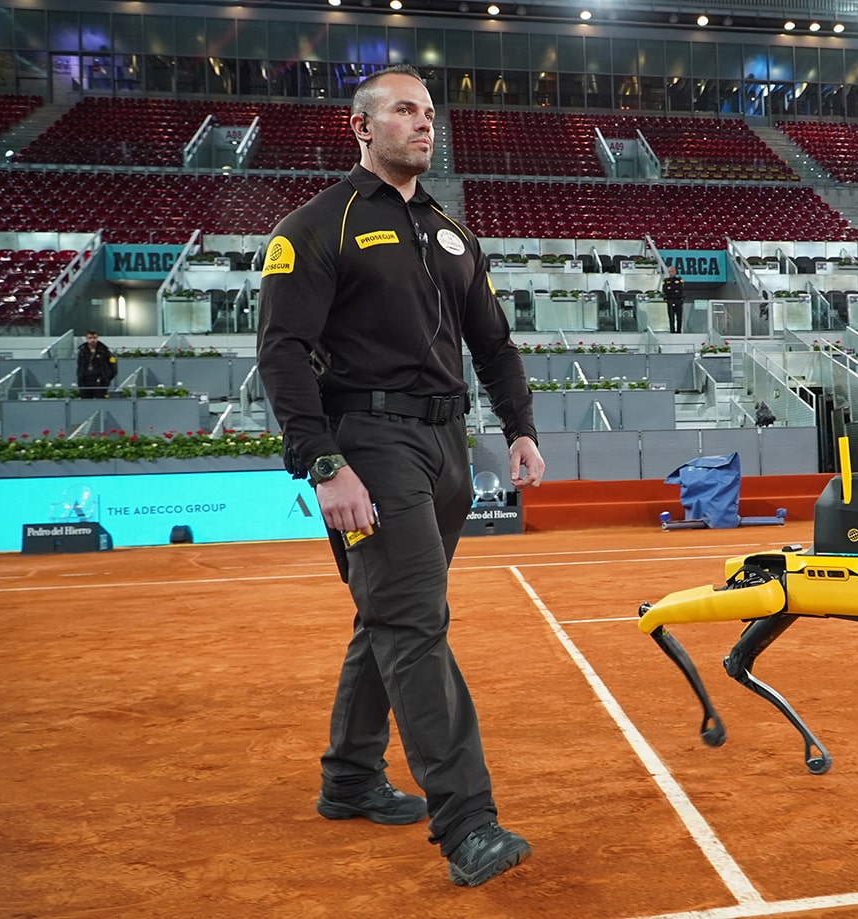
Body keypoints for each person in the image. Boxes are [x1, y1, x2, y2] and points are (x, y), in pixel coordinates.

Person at [256, 64, 544, 889]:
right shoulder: (318, 225)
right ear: (361, 126)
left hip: (445, 445)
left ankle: (349, 777)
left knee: (386, 616)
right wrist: (323, 461)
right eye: (405, 111)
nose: (425, 124)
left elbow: (493, 341)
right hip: (369, 444)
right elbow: (282, 352)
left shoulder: (452, 233)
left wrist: (518, 426)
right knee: (416, 622)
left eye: (428, 112)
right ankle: (467, 822)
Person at [76, 330, 117, 398]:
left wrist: (106, 379)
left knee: (100, 403)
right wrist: (80, 378)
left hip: (100, 382)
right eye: (90, 338)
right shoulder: (82, 351)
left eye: (94, 338)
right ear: (86, 339)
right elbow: (79, 366)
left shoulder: (104, 351)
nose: (92, 340)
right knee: (85, 403)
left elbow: (113, 367)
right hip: (85, 382)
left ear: (97, 338)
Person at [661, 263, 685, 333]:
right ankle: (672, 331)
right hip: (670, 300)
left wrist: (671, 289)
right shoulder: (666, 281)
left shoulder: (679, 280)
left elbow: (680, 289)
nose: (671, 273)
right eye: (670, 272)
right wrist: (674, 290)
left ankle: (679, 331)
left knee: (679, 317)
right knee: (671, 317)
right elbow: (665, 290)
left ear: (675, 272)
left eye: (673, 271)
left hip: (678, 300)